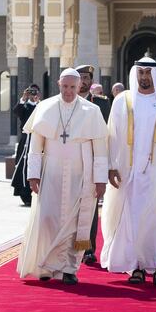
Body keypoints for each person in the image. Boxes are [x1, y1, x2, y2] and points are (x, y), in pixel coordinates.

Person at [100, 56, 156, 286]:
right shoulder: (122, 101)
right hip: (129, 174)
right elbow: (112, 136)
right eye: (140, 73)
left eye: (148, 73)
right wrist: (110, 166)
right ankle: (136, 267)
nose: (144, 77)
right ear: (135, 75)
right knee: (132, 219)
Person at [17, 68, 108, 285]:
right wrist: (33, 175)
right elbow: (35, 146)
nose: (68, 91)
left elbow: (101, 149)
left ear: (79, 87)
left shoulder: (92, 111)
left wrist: (100, 179)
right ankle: (47, 265)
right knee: (47, 217)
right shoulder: (45, 107)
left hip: (81, 173)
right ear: (59, 84)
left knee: (75, 222)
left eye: (73, 87)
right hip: (51, 172)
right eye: (65, 86)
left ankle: (69, 268)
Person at [76, 64, 111, 264]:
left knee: (90, 206)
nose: (83, 81)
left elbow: (108, 134)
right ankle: (70, 246)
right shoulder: (66, 101)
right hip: (71, 160)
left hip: (93, 160)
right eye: (80, 77)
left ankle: (87, 249)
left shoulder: (101, 104)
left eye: (87, 77)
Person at [11, 84, 40, 206]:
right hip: (25, 140)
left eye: (35, 92)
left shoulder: (41, 106)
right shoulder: (25, 106)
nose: (33, 94)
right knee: (22, 166)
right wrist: (23, 98)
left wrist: (37, 102)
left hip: (38, 140)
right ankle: (23, 193)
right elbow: (16, 112)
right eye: (31, 92)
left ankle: (36, 192)